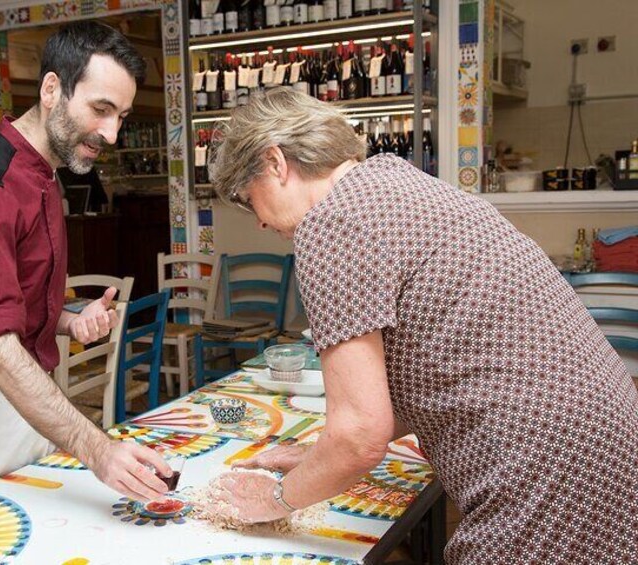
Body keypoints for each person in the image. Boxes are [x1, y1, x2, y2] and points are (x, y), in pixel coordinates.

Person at [205, 88, 638, 564]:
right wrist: (316, 460)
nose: (260, 224)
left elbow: (358, 436)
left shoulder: (330, 222)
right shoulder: (395, 180)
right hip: (604, 439)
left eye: (250, 201)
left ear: (275, 163)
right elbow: (440, 366)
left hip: (544, 469)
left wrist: (273, 500)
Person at [0, 21, 172, 518]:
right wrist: (96, 449)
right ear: (52, 89)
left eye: (122, 116)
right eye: (100, 109)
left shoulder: (45, 171)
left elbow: (10, 304)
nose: (112, 133)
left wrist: (69, 319)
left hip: (32, 400)